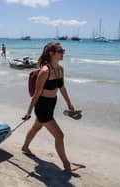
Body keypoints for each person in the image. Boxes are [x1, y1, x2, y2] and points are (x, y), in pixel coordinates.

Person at [22, 42, 79, 171]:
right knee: (60, 136)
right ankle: (66, 164)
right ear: (51, 53)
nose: (63, 53)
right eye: (60, 51)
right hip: (42, 106)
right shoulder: (44, 71)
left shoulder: (60, 69)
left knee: (37, 127)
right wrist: (28, 112)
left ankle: (25, 147)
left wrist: (69, 104)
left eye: (63, 50)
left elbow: (62, 88)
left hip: (52, 104)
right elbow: (36, 94)